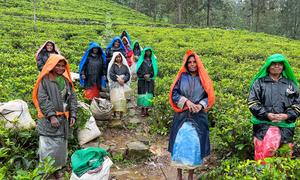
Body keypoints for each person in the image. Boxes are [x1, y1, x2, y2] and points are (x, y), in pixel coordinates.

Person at [168, 50, 215, 180]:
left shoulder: (203, 78)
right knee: (179, 143)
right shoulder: (181, 77)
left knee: (195, 144)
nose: (192, 64)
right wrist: (187, 102)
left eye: (194, 62)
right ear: (186, 64)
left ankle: (190, 175)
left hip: (198, 117)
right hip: (182, 116)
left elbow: (208, 96)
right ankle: (179, 174)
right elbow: (175, 93)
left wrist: (200, 105)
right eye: (190, 62)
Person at [248, 54, 300, 163]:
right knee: (264, 156)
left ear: (283, 67)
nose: (277, 67)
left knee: (284, 157)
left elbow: (297, 104)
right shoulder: (259, 83)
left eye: (279, 64)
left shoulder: (290, 84)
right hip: (264, 125)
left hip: (286, 126)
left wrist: (287, 115)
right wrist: (267, 115)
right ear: (268, 66)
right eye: (273, 64)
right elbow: (253, 102)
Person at [32, 54, 77, 178]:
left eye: (63, 66)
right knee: (48, 147)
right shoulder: (45, 80)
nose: (61, 68)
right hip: (48, 120)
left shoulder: (66, 80)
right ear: (52, 65)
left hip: (63, 120)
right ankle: (46, 172)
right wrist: (51, 116)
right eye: (58, 65)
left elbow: (72, 97)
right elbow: (43, 99)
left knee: (60, 147)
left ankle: (57, 169)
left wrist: (73, 114)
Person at [108, 52, 131, 120]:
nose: (118, 58)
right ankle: (115, 114)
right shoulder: (113, 66)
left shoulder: (125, 66)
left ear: (121, 58)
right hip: (115, 85)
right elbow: (111, 74)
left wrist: (124, 80)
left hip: (122, 85)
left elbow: (128, 74)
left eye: (119, 57)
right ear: (115, 58)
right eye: (117, 57)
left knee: (122, 99)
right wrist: (117, 79)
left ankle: (121, 114)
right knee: (115, 99)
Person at [136, 47, 158, 117]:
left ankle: (147, 109)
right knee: (142, 94)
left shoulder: (152, 61)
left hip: (150, 80)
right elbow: (138, 70)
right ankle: (142, 109)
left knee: (149, 93)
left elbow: (154, 70)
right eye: (147, 51)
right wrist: (143, 75)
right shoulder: (141, 60)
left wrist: (150, 75)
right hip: (142, 80)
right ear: (144, 52)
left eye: (149, 51)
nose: (148, 53)